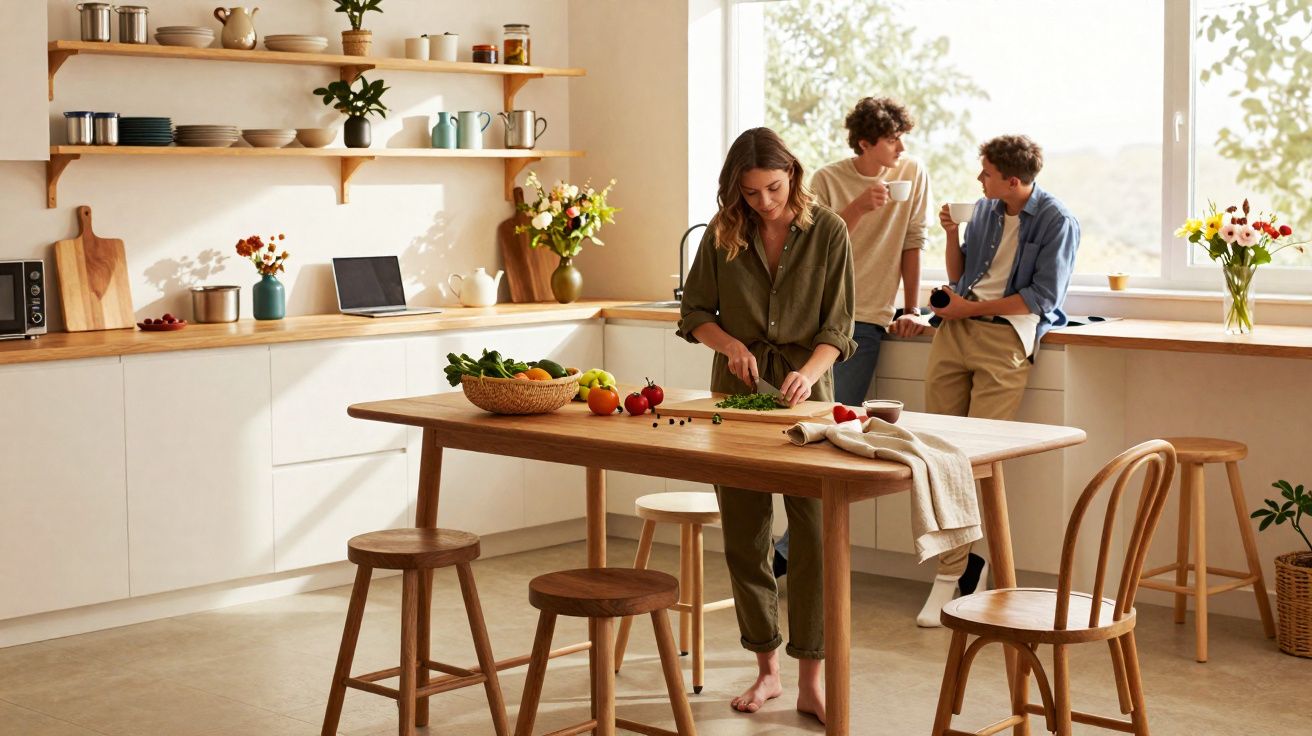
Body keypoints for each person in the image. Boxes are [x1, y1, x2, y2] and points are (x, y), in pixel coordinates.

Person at [678, 127, 855, 724]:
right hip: (737, 397)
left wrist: (808, 372)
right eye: (750, 192)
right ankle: (767, 673)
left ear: (793, 176)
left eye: (773, 188)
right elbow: (695, 311)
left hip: (808, 397)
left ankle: (812, 679)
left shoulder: (828, 230)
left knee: (813, 536)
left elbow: (838, 327)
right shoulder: (724, 231)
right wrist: (729, 345)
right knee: (745, 535)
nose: (764, 203)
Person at [917, 134, 1080, 627]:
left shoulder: (1057, 221)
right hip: (954, 332)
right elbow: (965, 274)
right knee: (935, 453)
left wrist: (975, 308)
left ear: (1013, 178)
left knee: (971, 459)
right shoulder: (986, 209)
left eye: (985, 172)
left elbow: (1042, 297)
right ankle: (963, 566)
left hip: (1005, 338)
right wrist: (949, 235)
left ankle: (952, 575)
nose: (978, 178)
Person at [773, 95, 931, 579]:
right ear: (866, 143)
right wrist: (859, 207)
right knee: (810, 431)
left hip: (868, 318)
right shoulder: (827, 179)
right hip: (820, 317)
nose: (901, 146)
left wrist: (910, 308)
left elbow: (913, 241)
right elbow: (812, 240)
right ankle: (790, 550)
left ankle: (786, 553)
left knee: (834, 432)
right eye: (892, 138)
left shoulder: (914, 174)